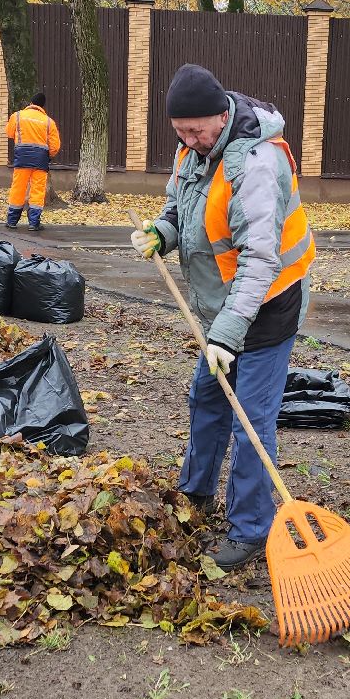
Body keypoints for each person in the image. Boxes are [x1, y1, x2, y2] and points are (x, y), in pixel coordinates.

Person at [130, 64, 315, 570]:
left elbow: (260, 259)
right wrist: (161, 233)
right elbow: (179, 206)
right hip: (222, 309)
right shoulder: (194, 151)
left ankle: (250, 528)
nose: (189, 140)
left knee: (250, 421)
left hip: (268, 305)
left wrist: (228, 337)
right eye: (180, 132)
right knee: (206, 397)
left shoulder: (255, 165)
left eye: (196, 130)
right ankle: (196, 491)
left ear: (222, 114)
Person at [5, 91, 60, 231]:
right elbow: (55, 146)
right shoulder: (49, 121)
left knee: (18, 188)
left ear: (30, 103)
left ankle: (12, 221)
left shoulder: (17, 116)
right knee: (38, 190)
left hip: (22, 157)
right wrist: (49, 155)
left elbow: (9, 133)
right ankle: (33, 223)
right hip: (41, 160)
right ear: (43, 106)